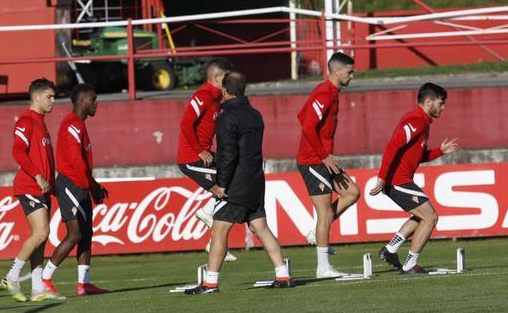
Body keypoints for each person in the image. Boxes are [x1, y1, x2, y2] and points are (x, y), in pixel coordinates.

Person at [185, 71, 292, 294]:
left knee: (219, 231)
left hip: (235, 184)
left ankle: (210, 283)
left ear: (224, 91)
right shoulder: (256, 114)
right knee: (261, 227)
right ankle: (283, 275)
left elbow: (228, 154)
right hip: (255, 180)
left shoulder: (226, 116)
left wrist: (221, 184)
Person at [371, 82, 461, 275]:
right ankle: (410, 264)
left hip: (399, 180)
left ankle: (391, 249)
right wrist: (382, 179)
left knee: (421, 216)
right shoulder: (415, 121)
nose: (443, 108)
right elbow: (392, 146)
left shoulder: (423, 123)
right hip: (397, 180)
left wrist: (440, 151)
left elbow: (418, 156)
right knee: (431, 217)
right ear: (428, 102)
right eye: (441, 103)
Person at [297, 51, 360, 278]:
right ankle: (323, 268)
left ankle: (317, 234)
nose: (352, 76)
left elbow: (301, 115)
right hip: (314, 160)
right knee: (324, 214)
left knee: (352, 193)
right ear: (336, 71)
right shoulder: (324, 93)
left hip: (323, 159)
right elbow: (307, 126)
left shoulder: (332, 93)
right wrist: (324, 155)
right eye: (349, 72)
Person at [42, 83, 109, 297]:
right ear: (81, 101)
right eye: (92, 99)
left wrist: (93, 184)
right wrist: (91, 186)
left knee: (86, 234)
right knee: (75, 234)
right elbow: (76, 161)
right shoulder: (72, 124)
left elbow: (83, 164)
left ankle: (84, 284)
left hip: (80, 183)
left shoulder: (79, 124)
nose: (96, 103)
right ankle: (45, 278)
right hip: (70, 184)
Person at [2, 78, 63, 302]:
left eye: (54, 97)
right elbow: (18, 151)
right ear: (36, 97)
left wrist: (52, 184)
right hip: (29, 185)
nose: (53, 101)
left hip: (43, 188)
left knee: (41, 239)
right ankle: (12, 275)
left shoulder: (41, 122)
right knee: (41, 233)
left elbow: (46, 158)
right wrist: (37, 176)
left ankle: (37, 288)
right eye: (49, 96)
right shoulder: (26, 121)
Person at [177, 58, 238, 261]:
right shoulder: (203, 95)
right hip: (191, 159)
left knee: (234, 178)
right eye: (226, 78)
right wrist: (199, 150)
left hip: (204, 155)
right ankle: (209, 221)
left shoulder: (216, 98)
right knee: (232, 182)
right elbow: (186, 123)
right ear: (217, 78)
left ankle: (209, 218)